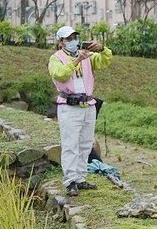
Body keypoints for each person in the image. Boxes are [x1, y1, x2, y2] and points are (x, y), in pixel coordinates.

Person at [48, 25, 112, 196]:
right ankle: (70, 181)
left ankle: (81, 178)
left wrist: (102, 49)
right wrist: (77, 61)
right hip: (69, 106)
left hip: (88, 105)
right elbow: (60, 75)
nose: (73, 41)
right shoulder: (56, 58)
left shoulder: (87, 56)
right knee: (70, 144)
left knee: (85, 144)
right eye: (69, 39)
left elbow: (105, 60)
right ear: (61, 42)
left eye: (75, 38)